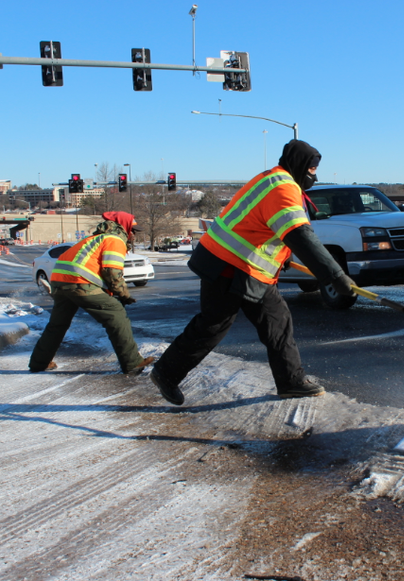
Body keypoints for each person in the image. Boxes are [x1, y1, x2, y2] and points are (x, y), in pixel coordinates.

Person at [150, 139, 355, 406]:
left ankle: (291, 382)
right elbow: (299, 235)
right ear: (300, 165)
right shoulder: (283, 188)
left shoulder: (271, 179)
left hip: (246, 268)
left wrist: (281, 259)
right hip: (229, 264)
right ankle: (166, 373)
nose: (314, 175)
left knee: (277, 322)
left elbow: (263, 227)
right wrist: (335, 275)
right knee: (214, 325)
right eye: (312, 169)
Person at [29, 211, 154, 375]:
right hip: (79, 283)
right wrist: (123, 295)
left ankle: (39, 362)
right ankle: (132, 362)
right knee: (116, 314)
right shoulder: (114, 240)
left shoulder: (93, 239)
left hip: (60, 283)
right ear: (125, 227)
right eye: (133, 231)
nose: (133, 235)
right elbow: (112, 272)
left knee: (57, 325)